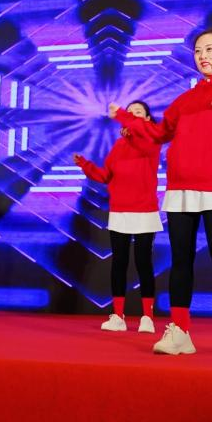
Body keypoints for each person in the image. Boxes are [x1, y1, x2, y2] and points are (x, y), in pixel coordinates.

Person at [111, 28, 212, 358]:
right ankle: (179, 331)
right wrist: (124, 116)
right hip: (180, 188)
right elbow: (157, 133)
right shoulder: (184, 100)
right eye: (197, 51)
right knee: (181, 260)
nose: (203, 55)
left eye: (210, 49)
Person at [74, 100, 162, 333]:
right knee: (119, 264)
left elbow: (140, 132)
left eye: (138, 112)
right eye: (130, 112)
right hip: (119, 210)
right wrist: (85, 165)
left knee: (143, 263)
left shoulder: (151, 139)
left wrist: (123, 114)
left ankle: (147, 317)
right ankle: (118, 316)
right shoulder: (119, 145)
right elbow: (105, 176)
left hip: (144, 210)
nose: (132, 115)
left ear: (147, 119)